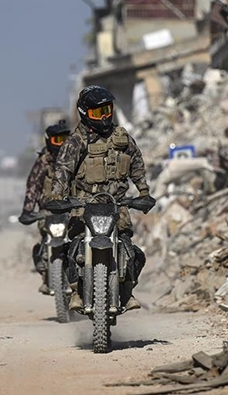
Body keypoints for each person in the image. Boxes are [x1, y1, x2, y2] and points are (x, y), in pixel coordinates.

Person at [46, 86, 155, 312]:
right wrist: (58, 196)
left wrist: (144, 193)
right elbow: (63, 170)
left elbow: (136, 164)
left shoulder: (122, 137)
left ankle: (126, 293)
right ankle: (76, 290)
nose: (104, 117)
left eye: (107, 110)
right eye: (98, 113)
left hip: (116, 206)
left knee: (134, 253)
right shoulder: (76, 141)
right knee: (71, 250)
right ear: (85, 113)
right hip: (84, 207)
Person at [17, 120, 71, 293]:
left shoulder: (75, 158)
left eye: (64, 140)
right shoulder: (43, 161)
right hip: (48, 212)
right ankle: (45, 273)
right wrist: (27, 210)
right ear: (49, 141)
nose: (61, 145)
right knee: (41, 245)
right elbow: (33, 186)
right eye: (57, 141)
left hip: (72, 210)